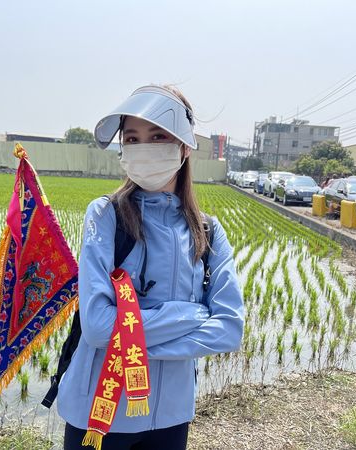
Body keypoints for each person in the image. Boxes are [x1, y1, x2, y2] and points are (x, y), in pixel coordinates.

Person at [57, 84, 244, 450]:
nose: (145, 148)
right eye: (133, 138)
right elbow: (96, 327)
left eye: (158, 136)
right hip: (98, 412)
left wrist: (130, 342)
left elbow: (229, 329)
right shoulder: (105, 215)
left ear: (184, 146)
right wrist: (190, 315)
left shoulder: (208, 231)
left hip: (170, 415)